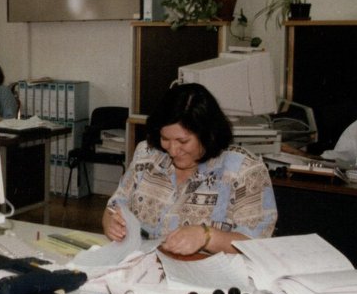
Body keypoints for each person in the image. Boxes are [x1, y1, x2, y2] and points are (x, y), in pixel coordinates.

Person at [102, 83, 276, 256]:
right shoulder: (147, 155)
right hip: (144, 270)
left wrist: (207, 236)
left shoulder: (244, 170)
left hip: (209, 276)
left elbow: (257, 245)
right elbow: (114, 208)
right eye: (165, 138)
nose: (172, 150)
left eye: (183, 141)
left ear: (208, 134)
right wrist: (112, 223)